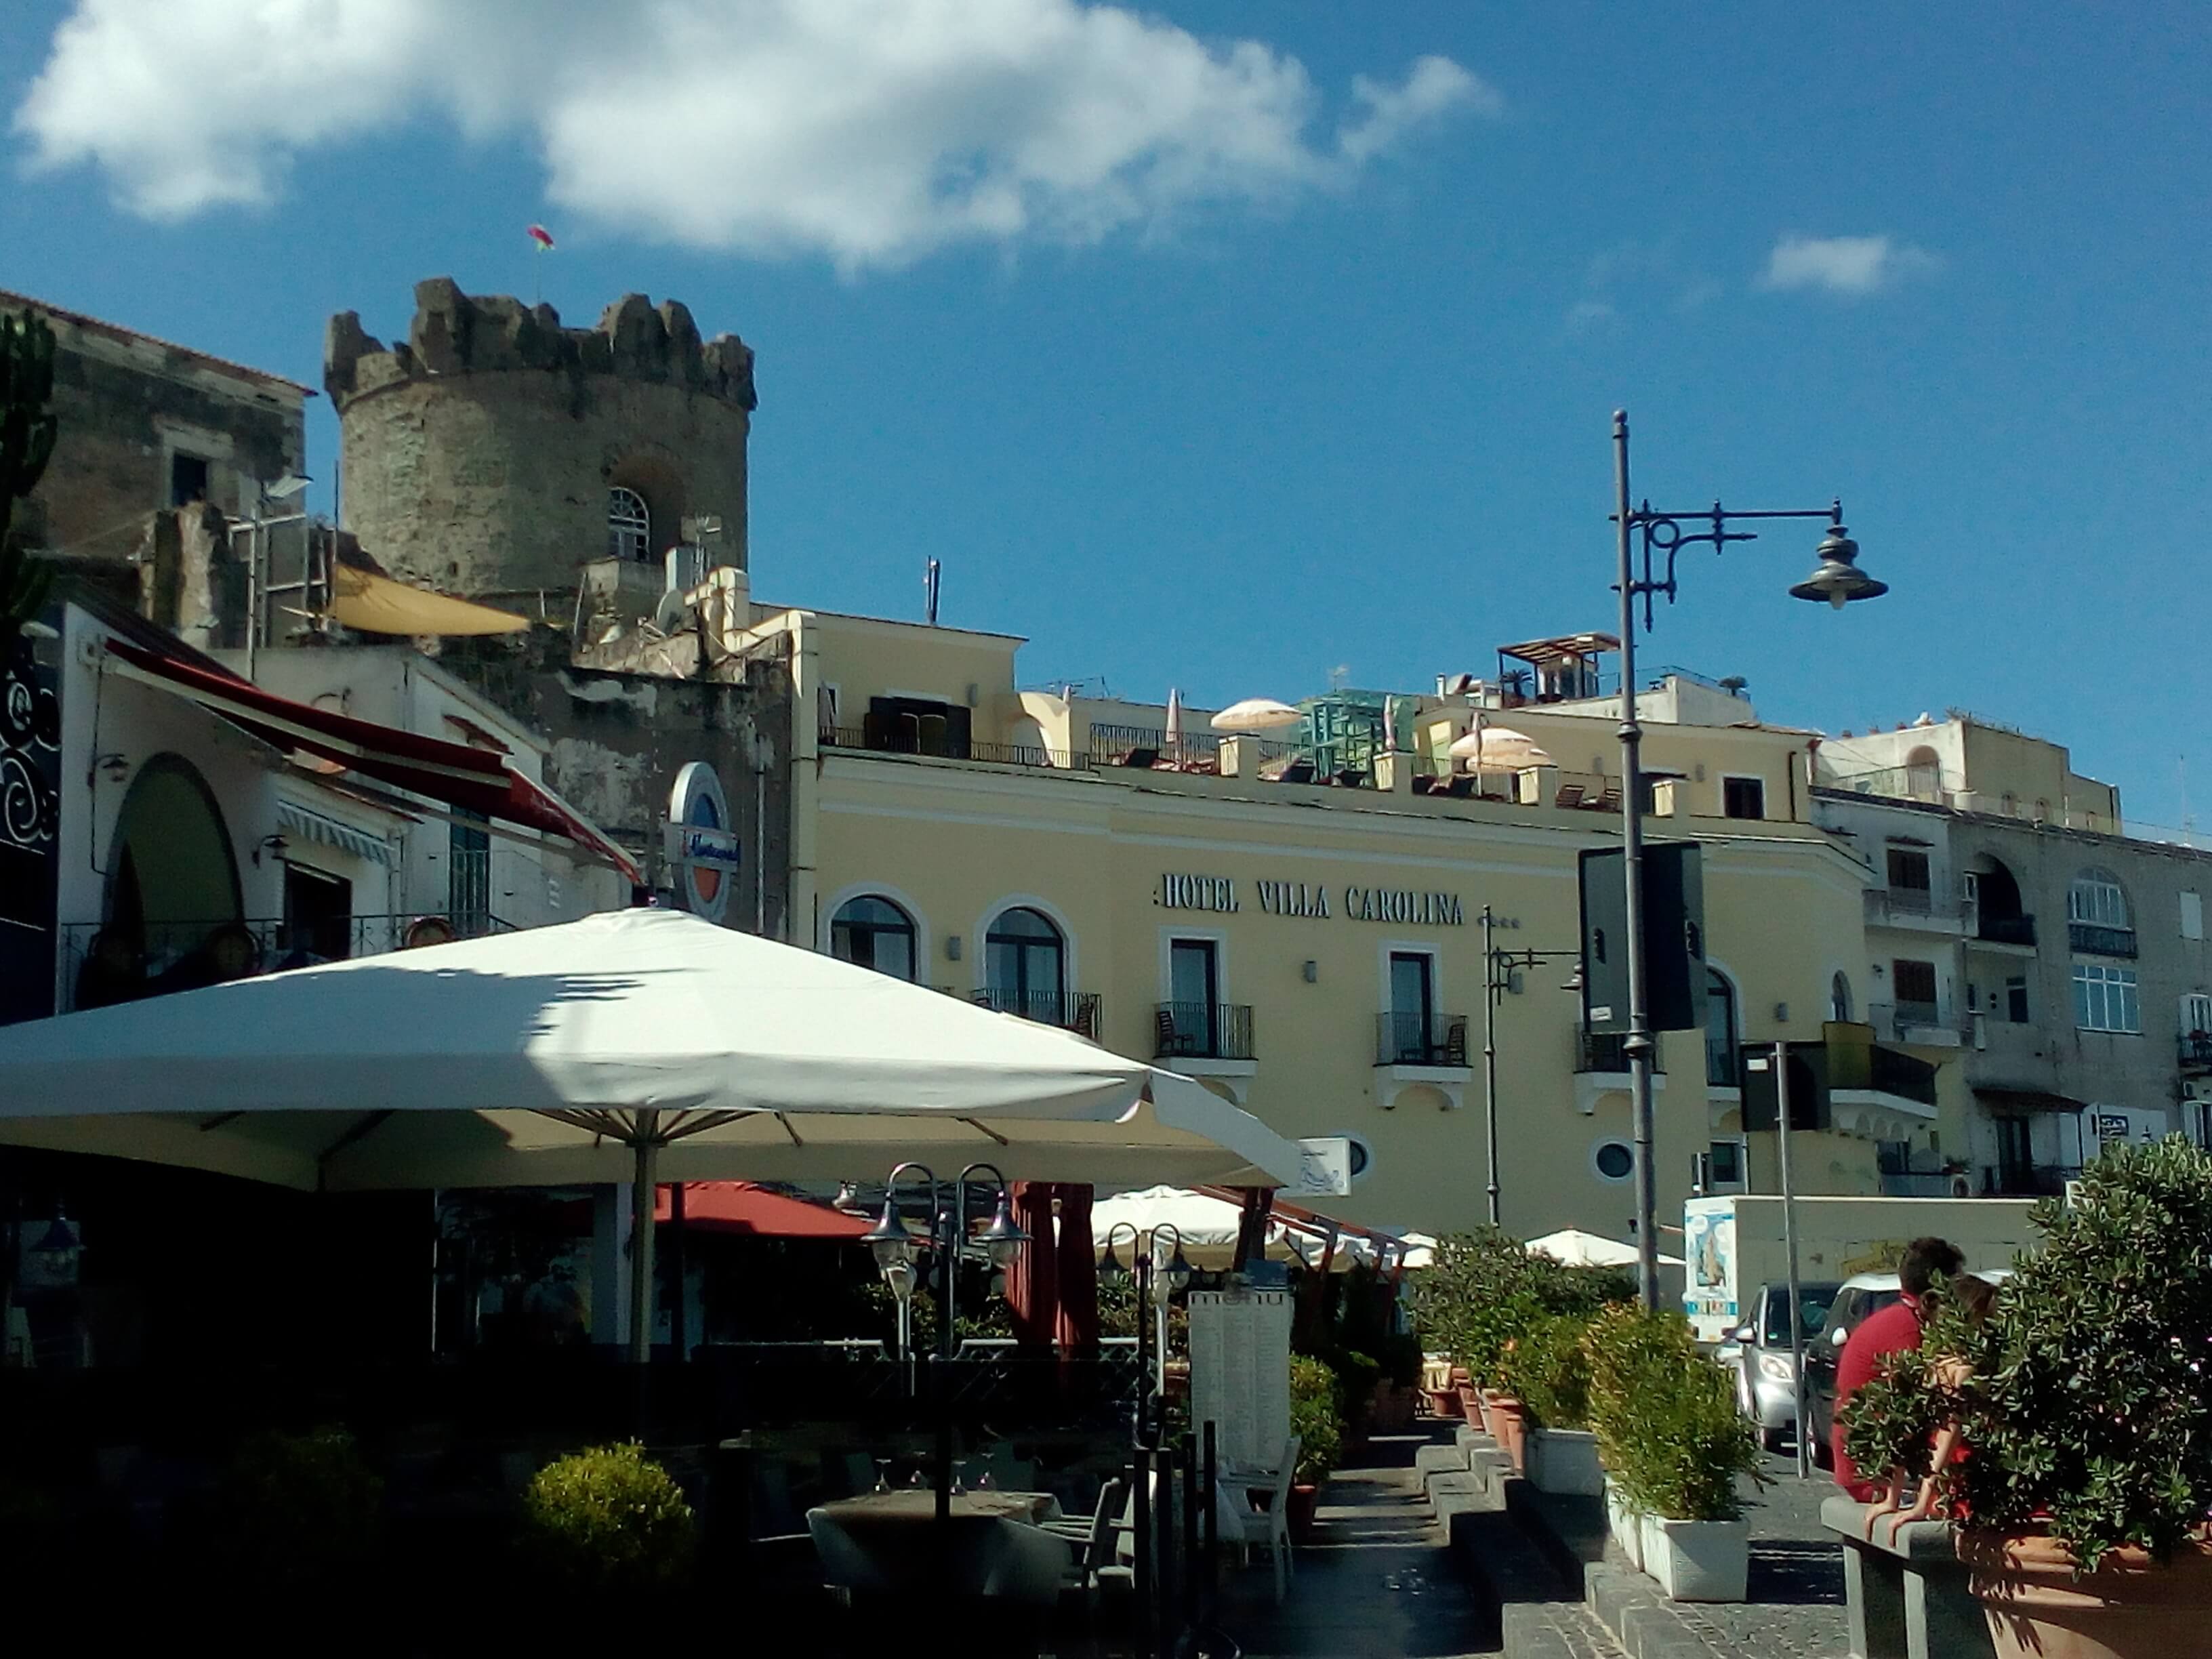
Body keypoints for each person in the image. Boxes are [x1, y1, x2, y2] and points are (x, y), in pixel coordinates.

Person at [1831, 1235, 1963, 1500]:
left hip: (1866, 1467)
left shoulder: (1894, 1321)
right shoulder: (1908, 1335)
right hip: (1876, 1477)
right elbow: (1916, 1416)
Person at [1863, 1272, 1996, 1530]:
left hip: (1955, 1486)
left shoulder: (1936, 1363)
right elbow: (1949, 1431)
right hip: (1960, 1487)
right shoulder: (1961, 1367)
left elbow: (1904, 1425)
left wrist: (1897, 1497)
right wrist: (1921, 1503)